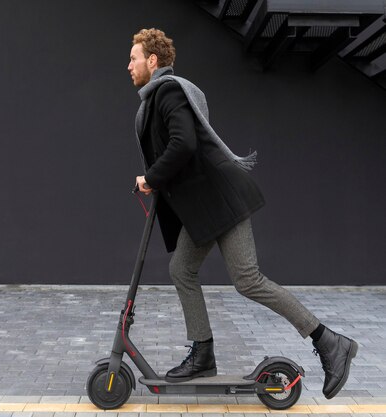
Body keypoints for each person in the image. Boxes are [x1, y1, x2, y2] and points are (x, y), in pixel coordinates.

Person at [127, 27, 358, 399]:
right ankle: (202, 353)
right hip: (206, 208)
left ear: (152, 61)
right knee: (181, 269)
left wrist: (151, 178)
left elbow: (183, 143)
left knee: (247, 279)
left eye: (134, 58)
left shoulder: (168, 91)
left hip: (222, 200)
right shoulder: (157, 99)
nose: (129, 65)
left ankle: (330, 342)